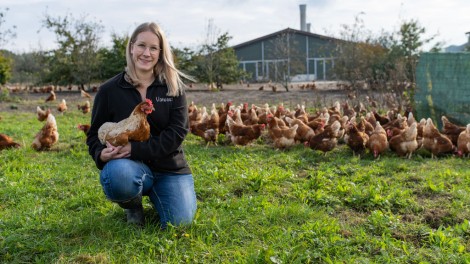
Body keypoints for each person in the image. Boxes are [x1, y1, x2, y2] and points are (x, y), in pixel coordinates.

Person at [86, 22, 197, 228]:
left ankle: (161, 194)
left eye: (153, 48)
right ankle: (132, 204)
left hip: (169, 167)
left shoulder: (173, 87)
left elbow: (177, 132)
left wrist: (135, 149)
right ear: (131, 47)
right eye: (141, 46)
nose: (147, 53)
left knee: (179, 223)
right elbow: (94, 135)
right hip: (129, 166)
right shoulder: (109, 90)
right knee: (117, 174)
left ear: (161, 52)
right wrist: (100, 154)